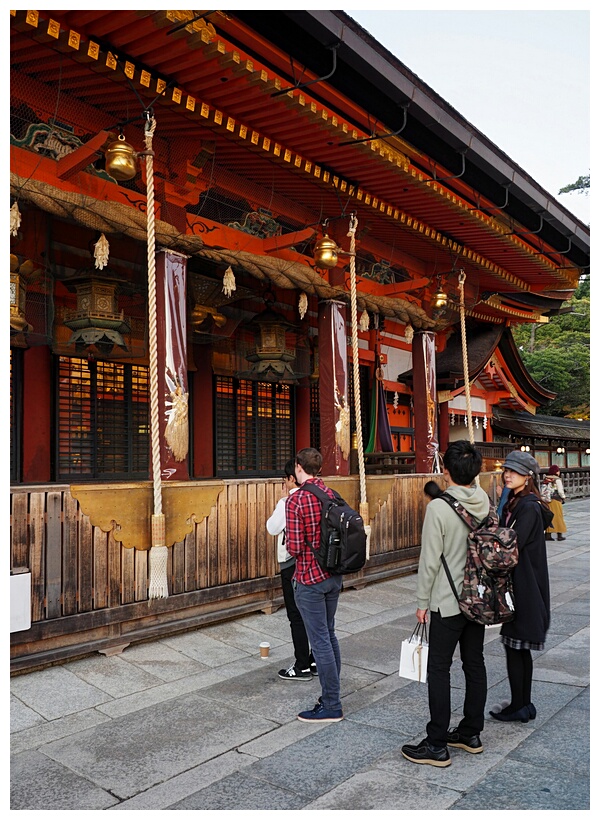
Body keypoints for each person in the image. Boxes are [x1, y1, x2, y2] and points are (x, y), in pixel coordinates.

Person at [402, 441, 490, 768]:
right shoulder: (484, 500)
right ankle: (471, 732)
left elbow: (429, 561)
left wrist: (421, 602)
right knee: (474, 663)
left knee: (439, 669)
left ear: (447, 471)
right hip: (478, 599)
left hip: (447, 601)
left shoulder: (439, 507)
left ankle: (437, 743)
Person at [490, 450, 552, 724]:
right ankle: (523, 704)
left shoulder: (527, 507)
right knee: (517, 647)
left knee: (515, 646)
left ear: (528, 478)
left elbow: (510, 545)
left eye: (514, 472)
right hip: (524, 583)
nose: (507, 475)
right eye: (506, 470)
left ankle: (520, 705)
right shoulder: (518, 502)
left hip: (525, 585)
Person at [285, 447, 344, 723]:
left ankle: (332, 703)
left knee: (319, 641)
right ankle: (331, 695)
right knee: (329, 635)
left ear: (298, 467)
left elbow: (295, 547)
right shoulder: (332, 495)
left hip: (309, 577)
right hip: (333, 575)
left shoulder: (296, 500)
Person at [266, 459, 317, 681]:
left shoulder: (287, 501)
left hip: (291, 563)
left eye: (284, 479)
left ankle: (302, 664)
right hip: (315, 563)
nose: (284, 484)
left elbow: (272, 527)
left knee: (296, 615)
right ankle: (315, 659)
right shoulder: (318, 496)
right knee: (315, 615)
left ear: (291, 478)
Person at [540, 464, 567, 541]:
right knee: (558, 517)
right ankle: (559, 535)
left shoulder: (546, 479)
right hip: (556, 500)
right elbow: (560, 491)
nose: (559, 472)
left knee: (549, 517)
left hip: (548, 501)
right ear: (556, 471)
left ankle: (548, 535)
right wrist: (563, 497)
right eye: (558, 470)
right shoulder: (557, 479)